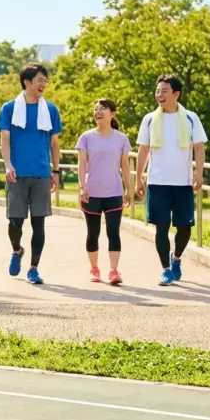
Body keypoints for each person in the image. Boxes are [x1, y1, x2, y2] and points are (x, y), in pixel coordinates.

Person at [135, 74, 207, 286]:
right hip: (158, 182)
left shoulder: (190, 118)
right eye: (157, 91)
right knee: (161, 226)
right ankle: (165, 269)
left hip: (182, 183)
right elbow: (143, 148)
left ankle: (176, 259)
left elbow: (199, 146)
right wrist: (139, 177)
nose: (159, 95)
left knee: (185, 227)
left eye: (164, 91)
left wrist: (199, 173)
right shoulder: (149, 119)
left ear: (176, 94)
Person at [0, 63, 63, 285]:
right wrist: (7, 165)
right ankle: (17, 251)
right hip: (16, 173)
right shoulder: (8, 108)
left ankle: (34, 268)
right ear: (27, 82)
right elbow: (5, 139)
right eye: (40, 80)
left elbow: (54, 143)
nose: (43, 84)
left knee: (39, 224)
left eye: (45, 80)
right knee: (14, 223)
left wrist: (56, 170)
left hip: (42, 173)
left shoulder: (50, 110)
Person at [76, 98, 132, 285]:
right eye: (96, 109)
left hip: (114, 192)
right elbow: (82, 164)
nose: (98, 112)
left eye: (102, 109)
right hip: (91, 192)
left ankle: (114, 271)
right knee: (93, 232)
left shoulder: (121, 138)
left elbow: (125, 166)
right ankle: (94, 268)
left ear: (113, 114)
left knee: (113, 232)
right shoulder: (86, 137)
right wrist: (82, 186)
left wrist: (128, 189)